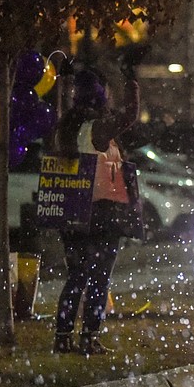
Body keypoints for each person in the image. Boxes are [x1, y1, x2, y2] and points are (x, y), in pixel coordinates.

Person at [53, 68, 140, 356]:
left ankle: (63, 336)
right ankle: (89, 337)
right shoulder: (96, 129)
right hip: (102, 213)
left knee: (76, 275)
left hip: (74, 211)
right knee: (99, 278)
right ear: (101, 96)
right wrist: (131, 79)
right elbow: (129, 116)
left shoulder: (68, 129)